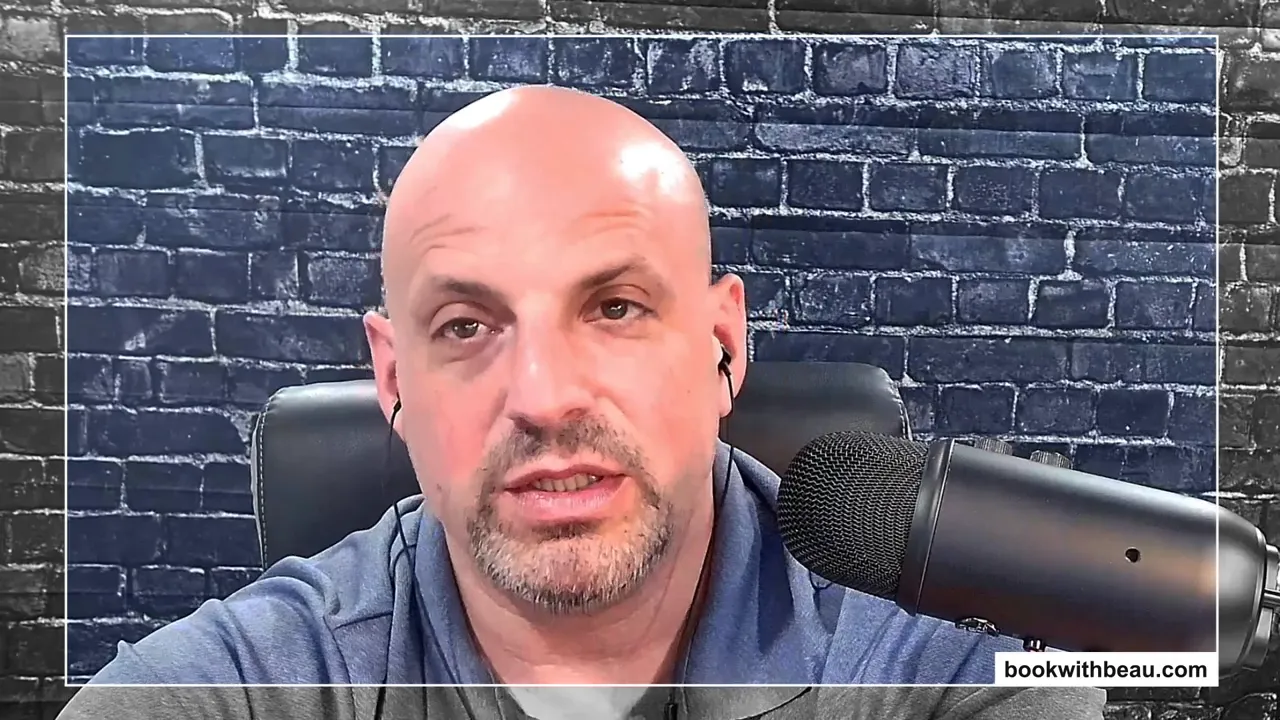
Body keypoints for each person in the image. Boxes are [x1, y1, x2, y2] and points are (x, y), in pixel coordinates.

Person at [59, 86, 1105, 719]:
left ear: (721, 343)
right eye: (466, 327)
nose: (545, 398)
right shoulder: (257, 678)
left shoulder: (932, 667)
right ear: (392, 380)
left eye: (612, 307)